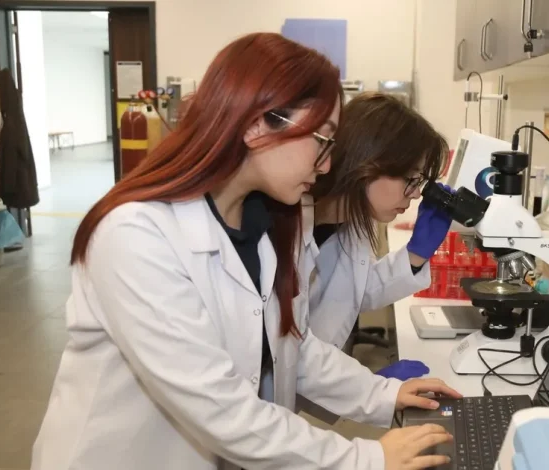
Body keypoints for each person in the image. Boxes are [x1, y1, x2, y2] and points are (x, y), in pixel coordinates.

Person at [30, 33, 461, 470]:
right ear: (257, 125)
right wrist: (366, 458)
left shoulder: (263, 225)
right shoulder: (136, 235)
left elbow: (293, 348)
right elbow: (217, 405)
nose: (329, 164)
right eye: (322, 140)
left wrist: (381, 394)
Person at [303, 93, 453, 370]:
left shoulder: (351, 219)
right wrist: (369, 388)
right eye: (412, 179)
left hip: (315, 378)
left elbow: (353, 293)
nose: (416, 193)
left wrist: (415, 255)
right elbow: (292, 353)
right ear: (368, 163)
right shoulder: (290, 228)